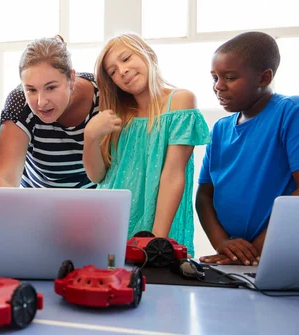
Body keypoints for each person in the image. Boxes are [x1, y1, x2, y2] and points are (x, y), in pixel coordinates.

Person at [84, 33, 210, 256]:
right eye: (112, 71)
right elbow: (98, 176)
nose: (121, 71)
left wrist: (156, 244)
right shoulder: (117, 114)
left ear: (147, 54)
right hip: (112, 222)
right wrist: (90, 136)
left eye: (126, 59)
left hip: (159, 228)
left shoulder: (180, 101)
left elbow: (173, 173)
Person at [197, 32, 299, 266]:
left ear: (264, 78)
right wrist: (222, 243)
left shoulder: (290, 112)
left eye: (230, 78)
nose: (218, 87)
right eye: (215, 77)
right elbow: (204, 196)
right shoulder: (220, 130)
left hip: (280, 254)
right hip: (240, 259)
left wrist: (254, 250)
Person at [0, 36, 99, 189]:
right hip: (38, 203)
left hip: (96, 201)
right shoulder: (19, 104)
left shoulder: (103, 94)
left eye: (51, 88)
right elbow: (6, 178)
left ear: (72, 79)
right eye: (31, 90)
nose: (41, 102)